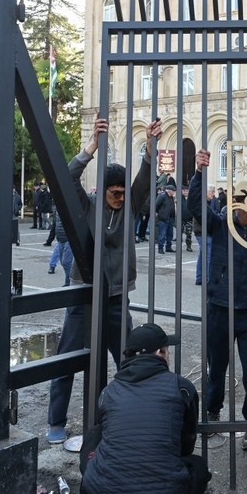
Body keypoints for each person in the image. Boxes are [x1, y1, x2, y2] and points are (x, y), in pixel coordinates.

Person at [46, 116, 162, 444]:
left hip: (115, 298)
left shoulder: (131, 206)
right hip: (83, 293)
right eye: (114, 192)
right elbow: (65, 182)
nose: (120, 197)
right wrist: (90, 150)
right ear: (104, 189)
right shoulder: (88, 205)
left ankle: (130, 418)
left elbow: (144, 182)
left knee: (129, 360)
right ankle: (56, 419)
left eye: (124, 193)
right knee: (66, 358)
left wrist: (150, 150)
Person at [189, 147, 247, 451]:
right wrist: (200, 172)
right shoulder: (221, 225)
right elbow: (196, 207)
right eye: (244, 204)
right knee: (217, 369)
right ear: (234, 204)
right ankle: (212, 415)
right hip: (219, 309)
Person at [81, 323, 212, 494]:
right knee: (198, 466)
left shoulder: (109, 391)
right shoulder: (181, 387)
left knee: (95, 435)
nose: (168, 355)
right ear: (159, 353)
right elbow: (186, 443)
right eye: (167, 351)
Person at [193, 184, 215, 286]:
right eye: (212, 192)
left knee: (203, 254)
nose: (213, 194)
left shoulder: (207, 202)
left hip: (203, 231)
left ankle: (199, 277)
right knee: (208, 255)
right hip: (202, 231)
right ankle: (206, 278)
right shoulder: (202, 203)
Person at [47, 210, 73, 286]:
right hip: (60, 239)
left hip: (68, 239)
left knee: (66, 262)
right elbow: (55, 224)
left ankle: (68, 283)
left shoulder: (68, 208)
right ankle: (69, 282)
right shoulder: (57, 210)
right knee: (63, 262)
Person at [155, 184, 177, 254]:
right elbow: (157, 204)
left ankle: (168, 247)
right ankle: (160, 248)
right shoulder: (162, 196)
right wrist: (156, 212)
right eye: (173, 191)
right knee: (162, 234)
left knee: (170, 234)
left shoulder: (171, 197)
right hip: (164, 218)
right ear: (170, 191)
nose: (174, 192)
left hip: (170, 218)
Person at [181, 185, 193, 252]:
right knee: (180, 233)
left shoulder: (191, 199)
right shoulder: (179, 198)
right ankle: (178, 246)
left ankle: (189, 246)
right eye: (184, 191)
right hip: (181, 219)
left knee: (189, 234)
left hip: (189, 219)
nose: (185, 192)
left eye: (187, 191)